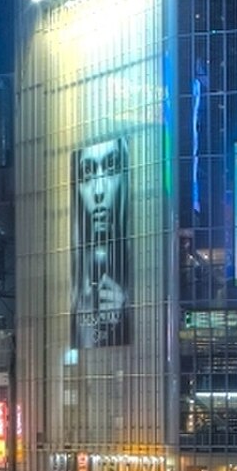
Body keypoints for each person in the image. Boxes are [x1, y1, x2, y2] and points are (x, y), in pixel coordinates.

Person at [72, 136, 131, 347]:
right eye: (87, 173)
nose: (99, 191)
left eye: (111, 168)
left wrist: (124, 317)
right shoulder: (71, 295)